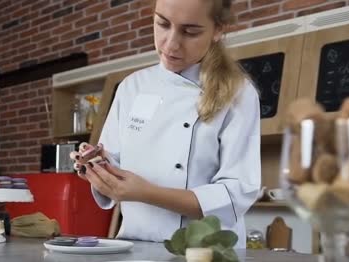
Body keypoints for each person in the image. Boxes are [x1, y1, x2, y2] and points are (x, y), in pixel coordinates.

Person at [71, 0, 260, 248]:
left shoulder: (238, 94)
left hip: (205, 254)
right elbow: (113, 163)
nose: (170, 44)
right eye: (162, 24)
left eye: (190, 31)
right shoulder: (132, 87)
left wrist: (146, 193)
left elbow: (236, 193)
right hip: (134, 248)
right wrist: (96, 166)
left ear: (218, 30)